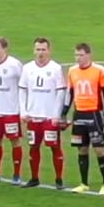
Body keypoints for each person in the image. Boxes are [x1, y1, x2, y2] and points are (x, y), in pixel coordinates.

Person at [19, 37, 68, 189]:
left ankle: (59, 180)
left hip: (49, 117)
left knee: (54, 147)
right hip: (33, 116)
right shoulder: (27, 68)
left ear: (49, 51)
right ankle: (34, 178)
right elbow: (22, 90)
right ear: (34, 50)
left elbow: (61, 92)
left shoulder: (55, 68)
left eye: (43, 49)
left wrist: (56, 114)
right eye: (38, 49)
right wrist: (23, 111)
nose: (40, 53)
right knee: (33, 147)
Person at [65, 43, 104, 193]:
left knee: (99, 149)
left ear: (88, 55)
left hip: (94, 114)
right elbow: (69, 93)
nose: (78, 58)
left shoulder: (99, 70)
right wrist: (64, 112)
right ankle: (84, 184)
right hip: (79, 114)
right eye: (76, 55)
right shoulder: (72, 71)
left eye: (80, 55)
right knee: (82, 149)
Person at [0, 37, 25, 183]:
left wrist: (23, 105)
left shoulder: (15, 64)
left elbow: (24, 84)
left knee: (15, 141)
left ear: (5, 49)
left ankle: (17, 174)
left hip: (11, 111)